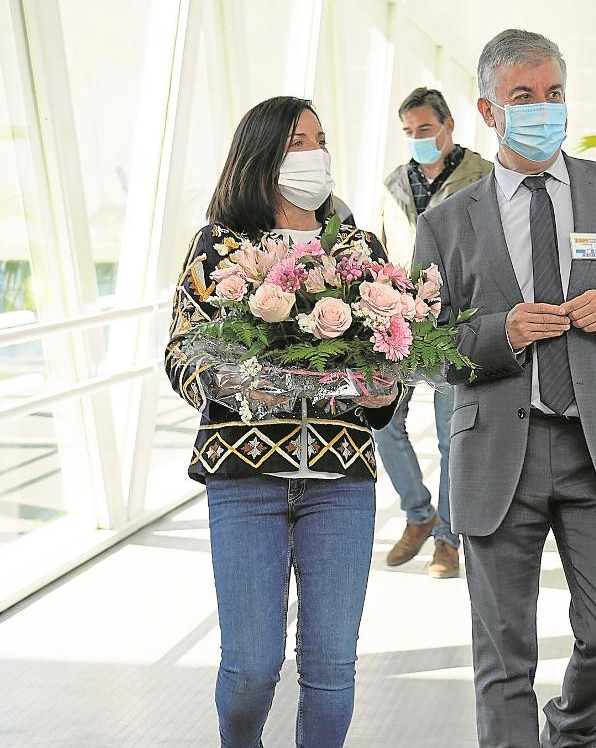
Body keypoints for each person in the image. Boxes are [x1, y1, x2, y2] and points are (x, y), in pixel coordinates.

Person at [412, 29, 596, 748]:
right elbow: (424, 350)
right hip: (501, 447)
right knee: (502, 656)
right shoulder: (444, 224)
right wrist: (502, 333)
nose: (542, 109)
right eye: (523, 97)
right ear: (488, 110)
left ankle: (573, 728)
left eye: (553, 94)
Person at [165, 95, 399, 748]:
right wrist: (239, 384)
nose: (314, 153)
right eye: (299, 141)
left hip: (342, 477)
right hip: (243, 477)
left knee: (331, 667)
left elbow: (390, 350)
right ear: (263, 151)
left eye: (320, 139)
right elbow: (182, 349)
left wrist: (384, 390)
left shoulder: (357, 248)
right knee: (251, 666)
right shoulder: (219, 246)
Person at [378, 87, 493, 579]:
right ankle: (419, 514)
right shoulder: (393, 183)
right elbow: (383, 250)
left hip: (455, 322)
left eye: (425, 129)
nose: (417, 139)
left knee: (453, 437)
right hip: (400, 323)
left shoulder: (483, 176)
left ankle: (448, 537)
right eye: (408, 132)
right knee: (384, 424)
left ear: (449, 126)